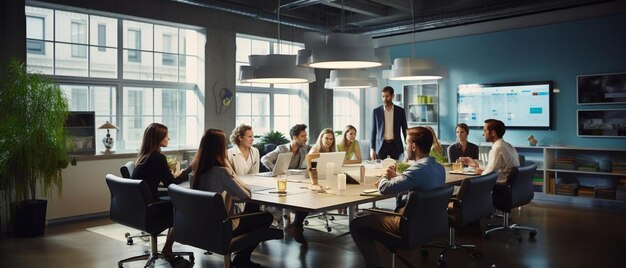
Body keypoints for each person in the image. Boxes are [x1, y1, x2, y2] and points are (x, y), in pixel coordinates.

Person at [350, 126, 445, 268]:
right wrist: (400, 177)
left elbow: (384, 188)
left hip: (410, 225)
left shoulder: (417, 169)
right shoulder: (439, 168)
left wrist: (386, 176)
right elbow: (419, 181)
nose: (406, 147)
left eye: (406, 143)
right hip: (431, 223)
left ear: (413, 146)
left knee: (357, 223)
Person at [191, 129, 273, 268]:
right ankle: (242, 259)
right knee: (265, 217)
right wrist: (232, 173)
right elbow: (245, 196)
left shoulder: (196, 170)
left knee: (253, 211)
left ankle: (242, 259)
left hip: (201, 227)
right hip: (221, 228)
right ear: (221, 147)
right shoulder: (221, 171)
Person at [131, 123, 191, 265]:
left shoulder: (144, 156)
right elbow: (171, 183)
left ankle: (167, 248)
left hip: (140, 206)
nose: (168, 138)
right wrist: (187, 171)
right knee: (183, 209)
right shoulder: (157, 158)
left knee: (177, 204)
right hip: (151, 207)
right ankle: (168, 249)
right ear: (158, 138)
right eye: (166, 135)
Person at [459, 119, 520, 184]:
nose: (483, 134)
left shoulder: (497, 149)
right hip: (512, 188)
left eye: (485, 131)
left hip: (499, 188)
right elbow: (493, 170)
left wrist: (482, 172)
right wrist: (476, 165)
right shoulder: (508, 146)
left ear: (493, 133)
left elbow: (487, 176)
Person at [370, 86, 408, 160]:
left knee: (395, 169)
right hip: (381, 146)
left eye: (387, 96)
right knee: (380, 170)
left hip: (395, 145)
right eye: (383, 96)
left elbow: (405, 129)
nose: (384, 99)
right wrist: (372, 149)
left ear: (392, 96)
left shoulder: (400, 111)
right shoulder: (376, 112)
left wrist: (407, 145)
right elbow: (373, 131)